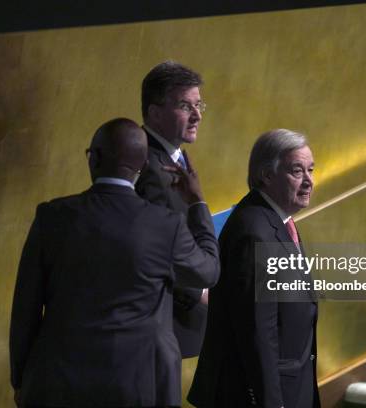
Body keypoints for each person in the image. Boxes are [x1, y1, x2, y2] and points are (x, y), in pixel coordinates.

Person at [9, 118, 220, 408]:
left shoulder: (52, 217)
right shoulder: (165, 226)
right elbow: (208, 272)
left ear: (93, 158)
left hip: (55, 382)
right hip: (136, 386)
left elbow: (25, 308)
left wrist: (21, 379)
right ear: (143, 166)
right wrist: (197, 203)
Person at [188, 129, 320, 408]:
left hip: (288, 385)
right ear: (266, 175)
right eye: (297, 171)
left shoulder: (278, 221)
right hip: (253, 395)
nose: (309, 181)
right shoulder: (254, 231)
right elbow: (258, 330)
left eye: (311, 170)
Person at [135, 61, 211, 358]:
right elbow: (151, 247)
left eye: (199, 105)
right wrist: (198, 292)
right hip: (157, 321)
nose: (197, 115)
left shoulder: (177, 158)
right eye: (185, 106)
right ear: (155, 112)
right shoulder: (147, 165)